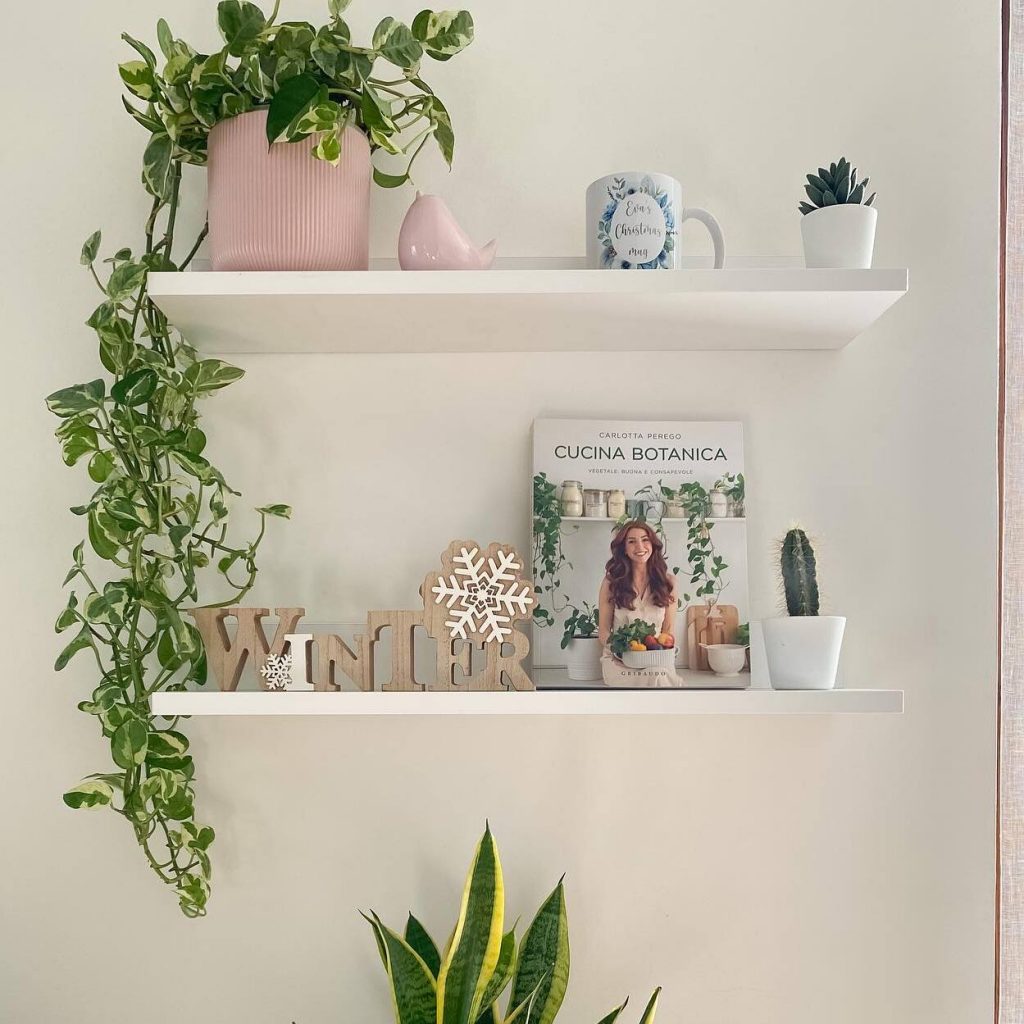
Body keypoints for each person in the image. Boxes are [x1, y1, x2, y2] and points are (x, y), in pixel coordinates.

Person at [598, 520, 685, 688]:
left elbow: (667, 631)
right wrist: (621, 651)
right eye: (632, 541)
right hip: (619, 662)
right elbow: (603, 630)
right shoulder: (611, 583)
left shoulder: (669, 583)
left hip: (656, 659)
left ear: (652, 544)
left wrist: (657, 655)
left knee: (659, 676)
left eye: (645, 540)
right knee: (659, 680)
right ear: (623, 548)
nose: (640, 546)